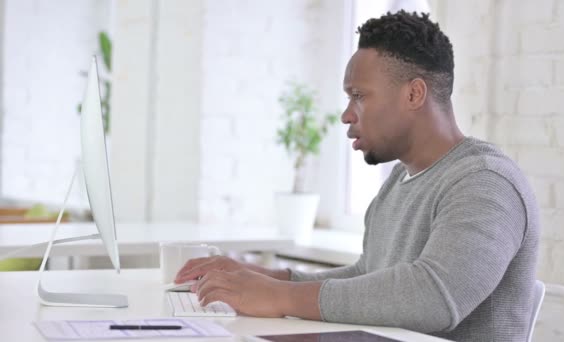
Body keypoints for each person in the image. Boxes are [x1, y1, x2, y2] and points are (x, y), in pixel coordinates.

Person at [175, 10, 539, 342]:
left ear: (414, 93)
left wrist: (280, 296)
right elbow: (368, 277)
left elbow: (433, 296)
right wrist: (268, 278)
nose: (347, 115)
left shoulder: (485, 182)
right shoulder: (399, 181)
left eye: (359, 96)